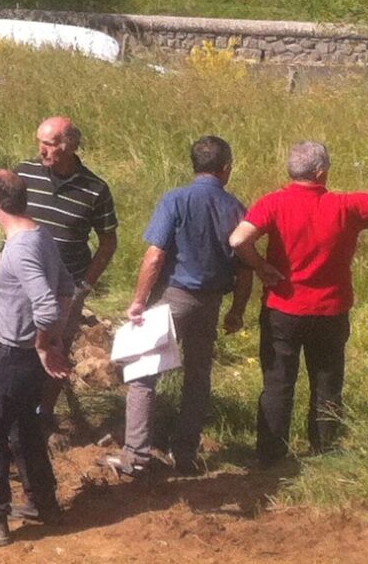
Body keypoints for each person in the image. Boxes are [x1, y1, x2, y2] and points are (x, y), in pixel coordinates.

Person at [230, 142, 368, 464]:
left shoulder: (273, 203)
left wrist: (260, 266)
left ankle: (270, 455)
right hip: (330, 310)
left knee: (278, 383)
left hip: (283, 309)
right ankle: (323, 450)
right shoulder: (345, 206)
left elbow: (238, 239)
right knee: (327, 383)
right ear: (321, 172)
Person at [106, 135, 251, 478]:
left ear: (194, 165)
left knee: (144, 372)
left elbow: (155, 256)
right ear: (226, 168)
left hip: (172, 298)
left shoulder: (176, 199)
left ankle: (136, 453)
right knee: (198, 377)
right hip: (211, 302)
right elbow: (246, 268)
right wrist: (237, 310)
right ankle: (185, 453)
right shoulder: (236, 208)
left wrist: (139, 300)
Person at [0, 170, 77, 548]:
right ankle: (44, 503)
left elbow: (46, 306)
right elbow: (66, 288)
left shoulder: (19, 249)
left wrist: (44, 343)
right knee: (25, 429)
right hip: (26, 359)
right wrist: (52, 339)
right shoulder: (41, 235)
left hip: (12, 355)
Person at [13, 116, 117, 436]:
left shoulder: (95, 190)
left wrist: (84, 286)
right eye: (40, 142)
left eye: (48, 144)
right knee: (14, 346)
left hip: (65, 289)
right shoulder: (24, 173)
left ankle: (43, 414)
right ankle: (12, 408)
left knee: (56, 349)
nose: (41, 150)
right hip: (20, 286)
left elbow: (108, 242)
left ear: (69, 146)